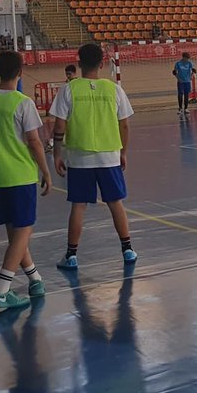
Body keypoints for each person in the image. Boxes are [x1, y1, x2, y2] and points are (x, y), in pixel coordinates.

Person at [50, 43, 137, 270]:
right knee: (115, 203)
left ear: (79, 64)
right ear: (102, 63)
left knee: (78, 206)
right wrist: (123, 152)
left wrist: (57, 154)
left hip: (79, 156)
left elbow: (59, 126)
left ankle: (71, 254)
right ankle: (127, 249)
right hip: (109, 155)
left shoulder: (68, 90)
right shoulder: (114, 89)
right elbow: (125, 126)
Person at [0, 51, 52, 309]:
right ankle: (1, 290)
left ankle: (35, 279)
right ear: (20, 72)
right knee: (23, 232)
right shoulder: (23, 102)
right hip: (19, 174)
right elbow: (34, 141)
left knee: (15, 233)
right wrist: (46, 171)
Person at [45, 65, 79, 153]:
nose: (68, 75)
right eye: (66, 74)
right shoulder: (66, 85)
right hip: (65, 111)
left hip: (74, 111)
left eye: (70, 74)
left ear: (75, 73)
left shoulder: (77, 84)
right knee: (58, 124)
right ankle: (52, 142)